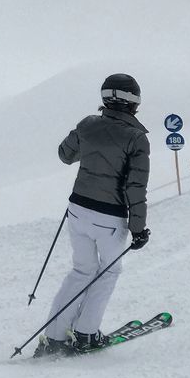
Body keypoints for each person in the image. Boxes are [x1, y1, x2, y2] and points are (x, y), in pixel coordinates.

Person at [35, 73, 151, 357]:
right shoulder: (136, 138)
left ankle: (54, 336)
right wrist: (138, 229)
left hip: (77, 209)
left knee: (82, 270)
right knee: (109, 271)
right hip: (109, 217)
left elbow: (65, 154)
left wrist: (88, 140)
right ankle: (86, 334)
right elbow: (135, 187)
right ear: (133, 102)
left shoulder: (88, 124)